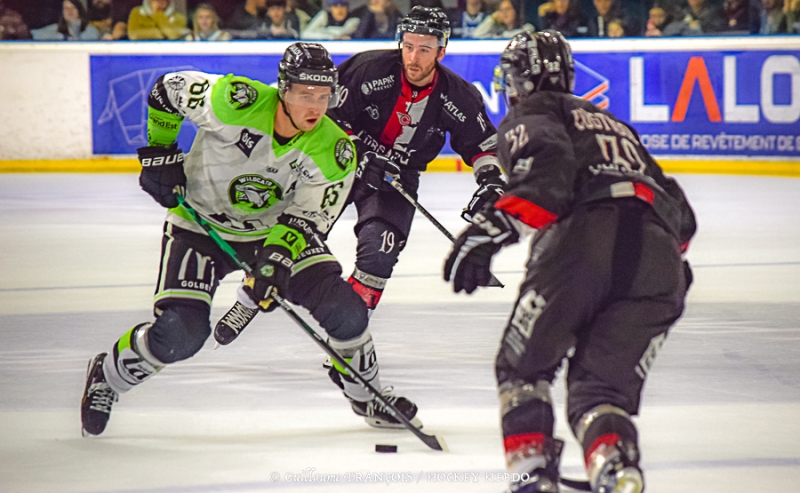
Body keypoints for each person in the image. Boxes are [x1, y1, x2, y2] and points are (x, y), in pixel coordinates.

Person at [80, 42, 421, 437]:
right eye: (305, 94)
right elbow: (167, 89)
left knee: (347, 311)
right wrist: (159, 152)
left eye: (323, 96)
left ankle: (367, 393)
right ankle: (109, 375)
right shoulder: (235, 100)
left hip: (272, 231)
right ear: (283, 89)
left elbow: (307, 217)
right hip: (200, 225)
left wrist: (274, 260)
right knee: (181, 334)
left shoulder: (335, 149)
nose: (315, 106)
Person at [443, 30, 696, 493]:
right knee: (600, 392)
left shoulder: (533, 111)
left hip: (584, 242)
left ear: (518, 80)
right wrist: (666, 270)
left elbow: (548, 174)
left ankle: (532, 476)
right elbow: (681, 216)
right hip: (660, 261)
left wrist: (490, 230)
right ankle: (615, 467)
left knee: (522, 370)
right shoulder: (614, 124)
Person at [214, 7, 502, 355]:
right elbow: (326, 114)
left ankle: (348, 334)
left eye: (425, 49)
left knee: (380, 255)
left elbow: (483, 145)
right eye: (408, 45)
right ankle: (250, 297)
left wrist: (491, 182)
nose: (413, 56)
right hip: (339, 164)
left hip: (397, 178)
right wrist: (360, 150)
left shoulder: (459, 95)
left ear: (442, 51)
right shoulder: (369, 69)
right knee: (298, 231)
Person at [31, 0, 101, 40]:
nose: (70, 11)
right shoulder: (54, 29)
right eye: (66, 8)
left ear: (79, 11)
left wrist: (75, 25)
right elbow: (33, 34)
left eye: (73, 8)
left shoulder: (91, 30)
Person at [662, 0, 726, 35]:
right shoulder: (681, 14)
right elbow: (670, 31)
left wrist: (698, 26)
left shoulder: (715, 13)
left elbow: (716, 32)